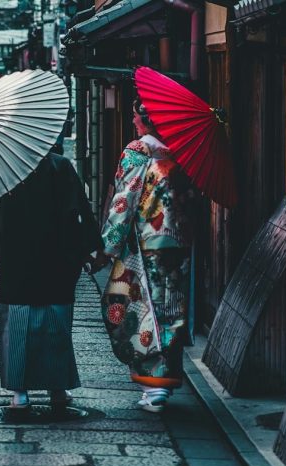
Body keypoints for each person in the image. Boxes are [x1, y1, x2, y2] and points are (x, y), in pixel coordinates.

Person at [94, 99, 194, 413]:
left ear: (145, 120)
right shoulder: (177, 151)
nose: (134, 121)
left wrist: (109, 244)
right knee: (170, 309)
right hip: (177, 243)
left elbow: (125, 199)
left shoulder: (139, 151)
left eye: (137, 116)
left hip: (144, 242)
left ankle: (152, 387)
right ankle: (163, 382)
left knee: (138, 309)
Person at [0, 152, 102, 409]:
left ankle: (19, 393)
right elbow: (78, 213)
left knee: (16, 328)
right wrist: (84, 251)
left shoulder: (2, 168)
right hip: (56, 262)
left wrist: (2, 254)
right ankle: (57, 390)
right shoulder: (60, 166)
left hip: (15, 263)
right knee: (55, 326)